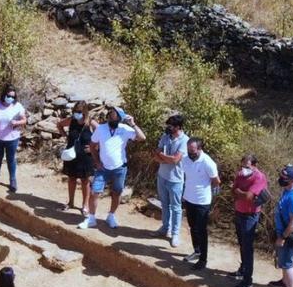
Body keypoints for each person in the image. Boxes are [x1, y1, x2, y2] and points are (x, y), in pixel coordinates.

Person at [80, 105, 146, 230]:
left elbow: (142, 138)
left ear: (119, 119)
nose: (111, 119)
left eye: (115, 117)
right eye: (110, 116)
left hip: (120, 168)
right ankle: (92, 219)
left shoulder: (125, 129)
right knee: (95, 192)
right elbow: (93, 144)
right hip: (102, 168)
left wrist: (133, 124)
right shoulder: (101, 129)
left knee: (117, 192)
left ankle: (111, 216)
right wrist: (97, 161)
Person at [178, 138, 220, 271]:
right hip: (189, 198)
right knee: (192, 227)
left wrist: (209, 194)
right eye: (188, 150)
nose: (190, 152)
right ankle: (197, 251)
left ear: (200, 149)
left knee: (201, 231)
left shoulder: (207, 162)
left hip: (202, 201)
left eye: (192, 150)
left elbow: (216, 181)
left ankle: (203, 260)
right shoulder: (185, 159)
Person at [231, 154, 268, 287]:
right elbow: (232, 191)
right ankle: (243, 269)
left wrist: (239, 192)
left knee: (247, 247)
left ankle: (248, 280)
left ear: (254, 165)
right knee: (241, 244)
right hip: (239, 212)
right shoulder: (240, 174)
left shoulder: (259, 177)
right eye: (242, 166)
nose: (244, 169)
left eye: (247, 166)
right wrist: (242, 193)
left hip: (250, 215)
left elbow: (248, 197)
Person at [153, 114, 189, 247]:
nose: (168, 128)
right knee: (164, 204)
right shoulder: (165, 137)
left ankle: (175, 234)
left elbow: (175, 160)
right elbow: (155, 156)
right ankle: (164, 228)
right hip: (162, 176)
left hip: (175, 179)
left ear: (178, 127)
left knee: (176, 207)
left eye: (171, 126)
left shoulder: (185, 141)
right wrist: (165, 158)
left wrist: (162, 156)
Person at [0, 85, 27, 193]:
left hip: (12, 139)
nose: (10, 98)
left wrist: (17, 122)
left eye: (13, 96)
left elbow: (24, 120)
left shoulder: (17, 106)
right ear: (4, 95)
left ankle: (12, 181)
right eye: (8, 96)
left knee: (10, 159)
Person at [59, 101, 96, 214]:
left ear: (84, 112)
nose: (76, 114)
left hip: (85, 156)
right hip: (72, 154)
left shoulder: (90, 123)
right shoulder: (71, 120)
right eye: (75, 111)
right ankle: (71, 202)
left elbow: (102, 136)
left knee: (85, 181)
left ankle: (85, 205)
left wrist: (94, 148)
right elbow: (59, 124)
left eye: (79, 112)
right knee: (71, 178)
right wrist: (65, 136)